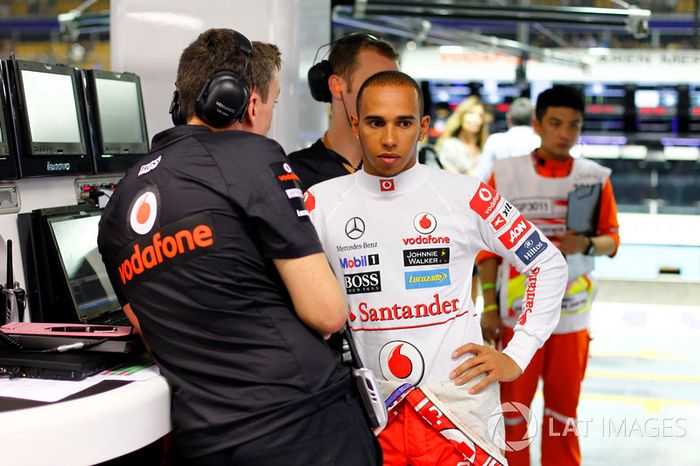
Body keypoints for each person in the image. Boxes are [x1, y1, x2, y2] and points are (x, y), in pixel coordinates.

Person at [97, 28, 379, 465]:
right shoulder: (252, 157)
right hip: (305, 425)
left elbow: (151, 332)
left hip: (205, 441)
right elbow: (326, 312)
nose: (268, 117)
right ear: (244, 102)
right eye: (272, 103)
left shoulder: (116, 206)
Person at [306, 70, 569, 466]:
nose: (390, 138)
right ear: (356, 125)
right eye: (376, 122)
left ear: (424, 127)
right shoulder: (318, 203)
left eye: (404, 123)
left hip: (457, 413)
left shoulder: (466, 195)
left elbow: (547, 262)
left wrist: (518, 353)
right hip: (368, 414)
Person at [478, 85, 620, 466]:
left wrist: (587, 243)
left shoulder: (595, 177)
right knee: (512, 415)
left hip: (571, 317)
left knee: (563, 417)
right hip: (515, 317)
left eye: (574, 126)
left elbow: (612, 241)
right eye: (555, 124)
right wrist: (488, 306)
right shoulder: (504, 175)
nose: (564, 134)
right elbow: (487, 250)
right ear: (537, 125)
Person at [288, 33, 398, 191]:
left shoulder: (403, 174)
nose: (389, 97)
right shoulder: (294, 175)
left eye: (395, 87)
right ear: (336, 87)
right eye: (375, 83)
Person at [475, 97, 541, 182]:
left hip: (500, 193)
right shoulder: (539, 142)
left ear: (509, 118)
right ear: (534, 120)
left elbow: (483, 176)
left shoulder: (495, 141)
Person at [434, 95, 489, 176]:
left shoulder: (484, 146)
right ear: (461, 116)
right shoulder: (450, 145)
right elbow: (451, 179)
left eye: (480, 115)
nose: (476, 119)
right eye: (471, 113)